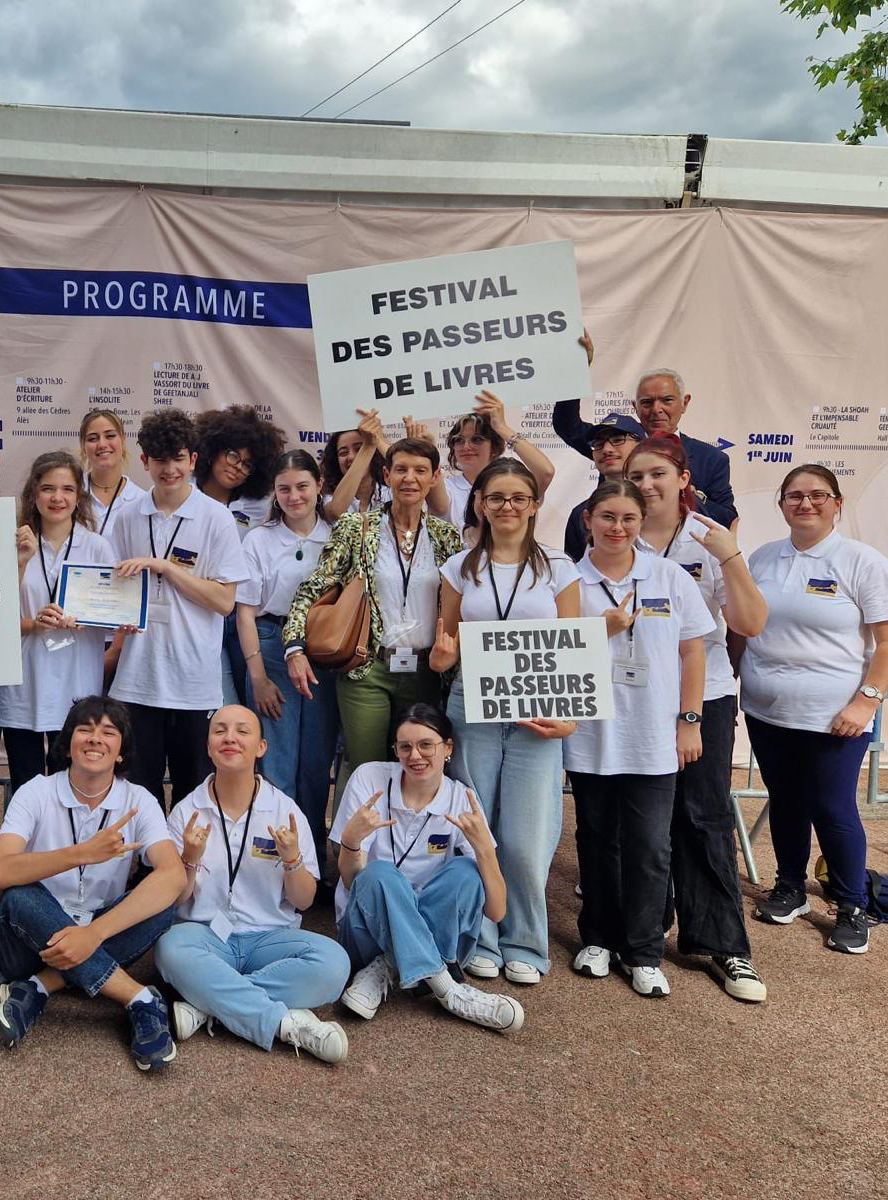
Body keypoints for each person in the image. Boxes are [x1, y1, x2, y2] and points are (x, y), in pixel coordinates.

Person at [626, 434, 768, 1002]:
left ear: (684, 479)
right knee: (639, 818)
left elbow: (751, 623)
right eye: (636, 475)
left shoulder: (709, 538)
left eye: (658, 474)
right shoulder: (615, 532)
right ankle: (642, 931)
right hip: (633, 696)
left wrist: (731, 556)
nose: (646, 485)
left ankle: (722, 944)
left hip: (703, 696)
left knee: (704, 814)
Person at [432, 459, 580, 985]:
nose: (507, 507)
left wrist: (569, 717)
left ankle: (526, 942)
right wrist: (442, 658)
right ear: (479, 504)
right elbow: (442, 649)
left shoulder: (560, 568)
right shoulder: (459, 568)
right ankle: (481, 937)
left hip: (537, 713)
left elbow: (573, 648)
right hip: (471, 705)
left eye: (519, 497)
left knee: (526, 835)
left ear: (535, 504)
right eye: (496, 498)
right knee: (478, 829)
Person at [565, 480, 714, 998]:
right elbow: (554, 653)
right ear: (588, 518)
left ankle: (645, 949)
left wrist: (689, 720)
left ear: (641, 521)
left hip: (653, 733)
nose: (617, 527)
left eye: (629, 518)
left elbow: (693, 653)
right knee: (596, 839)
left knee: (650, 846)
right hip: (590, 734)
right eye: (607, 516)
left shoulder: (669, 576)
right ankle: (599, 938)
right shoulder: (568, 581)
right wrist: (597, 630)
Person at [737, 465, 888, 954]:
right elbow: (742, 626)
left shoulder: (861, 561)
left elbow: (885, 640)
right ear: (781, 504)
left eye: (818, 495)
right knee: (785, 799)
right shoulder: (762, 558)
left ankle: (850, 905)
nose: (806, 504)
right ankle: (790, 887)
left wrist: (867, 701)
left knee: (834, 806)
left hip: (836, 714)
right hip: (767, 708)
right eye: (795, 496)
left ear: (838, 503)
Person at [154, 705, 351, 1063]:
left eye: (242, 731)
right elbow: (176, 899)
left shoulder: (284, 810)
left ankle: (211, 1006)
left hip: (270, 936)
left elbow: (304, 901)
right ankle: (285, 1023)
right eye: (220, 730)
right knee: (170, 949)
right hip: (206, 936)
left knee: (334, 963)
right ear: (209, 746)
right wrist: (189, 858)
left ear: (261, 747)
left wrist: (292, 860)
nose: (230, 737)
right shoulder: (186, 811)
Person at [0, 696, 184, 1070]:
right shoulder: (35, 792)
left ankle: (38, 987)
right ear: (67, 745)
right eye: (84, 729)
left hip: (100, 928)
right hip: (29, 932)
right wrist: (81, 853)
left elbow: (173, 875)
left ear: (120, 752)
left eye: (108, 732)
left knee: (165, 906)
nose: (95, 738)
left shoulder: (138, 799)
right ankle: (139, 999)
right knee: (19, 897)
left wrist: (94, 934)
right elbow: (3, 869)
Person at [329, 703, 523, 1033]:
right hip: (365, 930)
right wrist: (349, 842)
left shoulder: (461, 797)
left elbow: (497, 910)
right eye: (404, 746)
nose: (415, 756)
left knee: (467, 871)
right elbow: (351, 882)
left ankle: (388, 965)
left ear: (448, 748)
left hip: (433, 928)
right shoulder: (370, 779)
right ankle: (447, 988)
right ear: (395, 750)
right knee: (379, 874)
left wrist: (483, 851)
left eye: (426, 745)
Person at [284, 438, 462, 784]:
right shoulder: (356, 528)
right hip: (367, 668)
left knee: (418, 767)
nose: (409, 478)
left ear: (435, 476)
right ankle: (355, 840)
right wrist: (294, 644)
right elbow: (316, 585)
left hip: (426, 670)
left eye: (420, 470)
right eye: (401, 470)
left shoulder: (446, 536)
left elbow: (458, 602)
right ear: (386, 474)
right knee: (365, 767)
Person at [108, 409, 249, 807]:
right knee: (139, 792)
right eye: (159, 460)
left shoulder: (216, 518)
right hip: (138, 679)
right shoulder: (127, 516)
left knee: (193, 793)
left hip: (193, 682)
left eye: (177, 459)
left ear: (193, 460)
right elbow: (116, 591)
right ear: (144, 461)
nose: (169, 469)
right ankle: (146, 868)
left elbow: (224, 602)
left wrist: (166, 568)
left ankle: (189, 869)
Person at [236, 451, 338, 873]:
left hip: (324, 650)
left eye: (302, 486)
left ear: (318, 486)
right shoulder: (258, 540)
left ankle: (308, 864)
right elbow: (244, 611)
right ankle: (271, 866)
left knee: (316, 763)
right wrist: (257, 676)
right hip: (271, 645)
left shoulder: (336, 535)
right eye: (284, 489)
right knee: (275, 762)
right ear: (275, 494)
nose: (294, 496)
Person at [0, 451, 115, 794]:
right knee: (26, 786)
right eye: (48, 488)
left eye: (66, 489)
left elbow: (112, 617)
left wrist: (93, 617)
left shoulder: (97, 547)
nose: (57, 497)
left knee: (74, 785)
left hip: (76, 683)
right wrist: (19, 565)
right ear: (33, 493)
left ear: (78, 496)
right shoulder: (10, 542)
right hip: (24, 686)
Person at [554, 335, 737, 529]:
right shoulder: (620, 444)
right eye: (647, 402)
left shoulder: (711, 458)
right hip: (619, 546)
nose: (656, 409)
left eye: (667, 400)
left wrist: (690, 496)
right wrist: (577, 368)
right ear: (635, 406)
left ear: (685, 403)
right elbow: (568, 426)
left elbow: (728, 519)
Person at [194, 405, 286, 705]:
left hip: (241, 619)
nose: (237, 467)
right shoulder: (183, 494)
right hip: (195, 611)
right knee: (216, 703)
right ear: (213, 450)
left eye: (248, 464)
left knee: (245, 703)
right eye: (233, 455)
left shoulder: (260, 507)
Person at [428, 391, 555, 542]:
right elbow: (440, 508)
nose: (466, 446)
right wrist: (428, 452)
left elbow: (545, 472)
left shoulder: (512, 486)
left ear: (494, 447)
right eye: (459, 440)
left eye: (477, 439)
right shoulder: (447, 487)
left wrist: (502, 428)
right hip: (461, 564)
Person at [560, 412, 645, 562]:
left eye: (618, 440)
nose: (606, 449)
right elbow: (574, 575)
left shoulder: (663, 505)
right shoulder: (581, 514)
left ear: (642, 446)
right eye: (598, 444)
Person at [79, 409, 144, 539]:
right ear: (83, 446)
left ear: (123, 440)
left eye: (110, 436)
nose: (102, 444)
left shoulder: (141, 500)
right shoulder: (71, 494)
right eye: (93, 438)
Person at [321, 409, 390, 522]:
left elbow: (401, 464)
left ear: (374, 453)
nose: (351, 457)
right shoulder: (328, 498)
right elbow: (336, 512)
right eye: (343, 453)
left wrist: (378, 439)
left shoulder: (390, 493)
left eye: (359, 449)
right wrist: (367, 446)